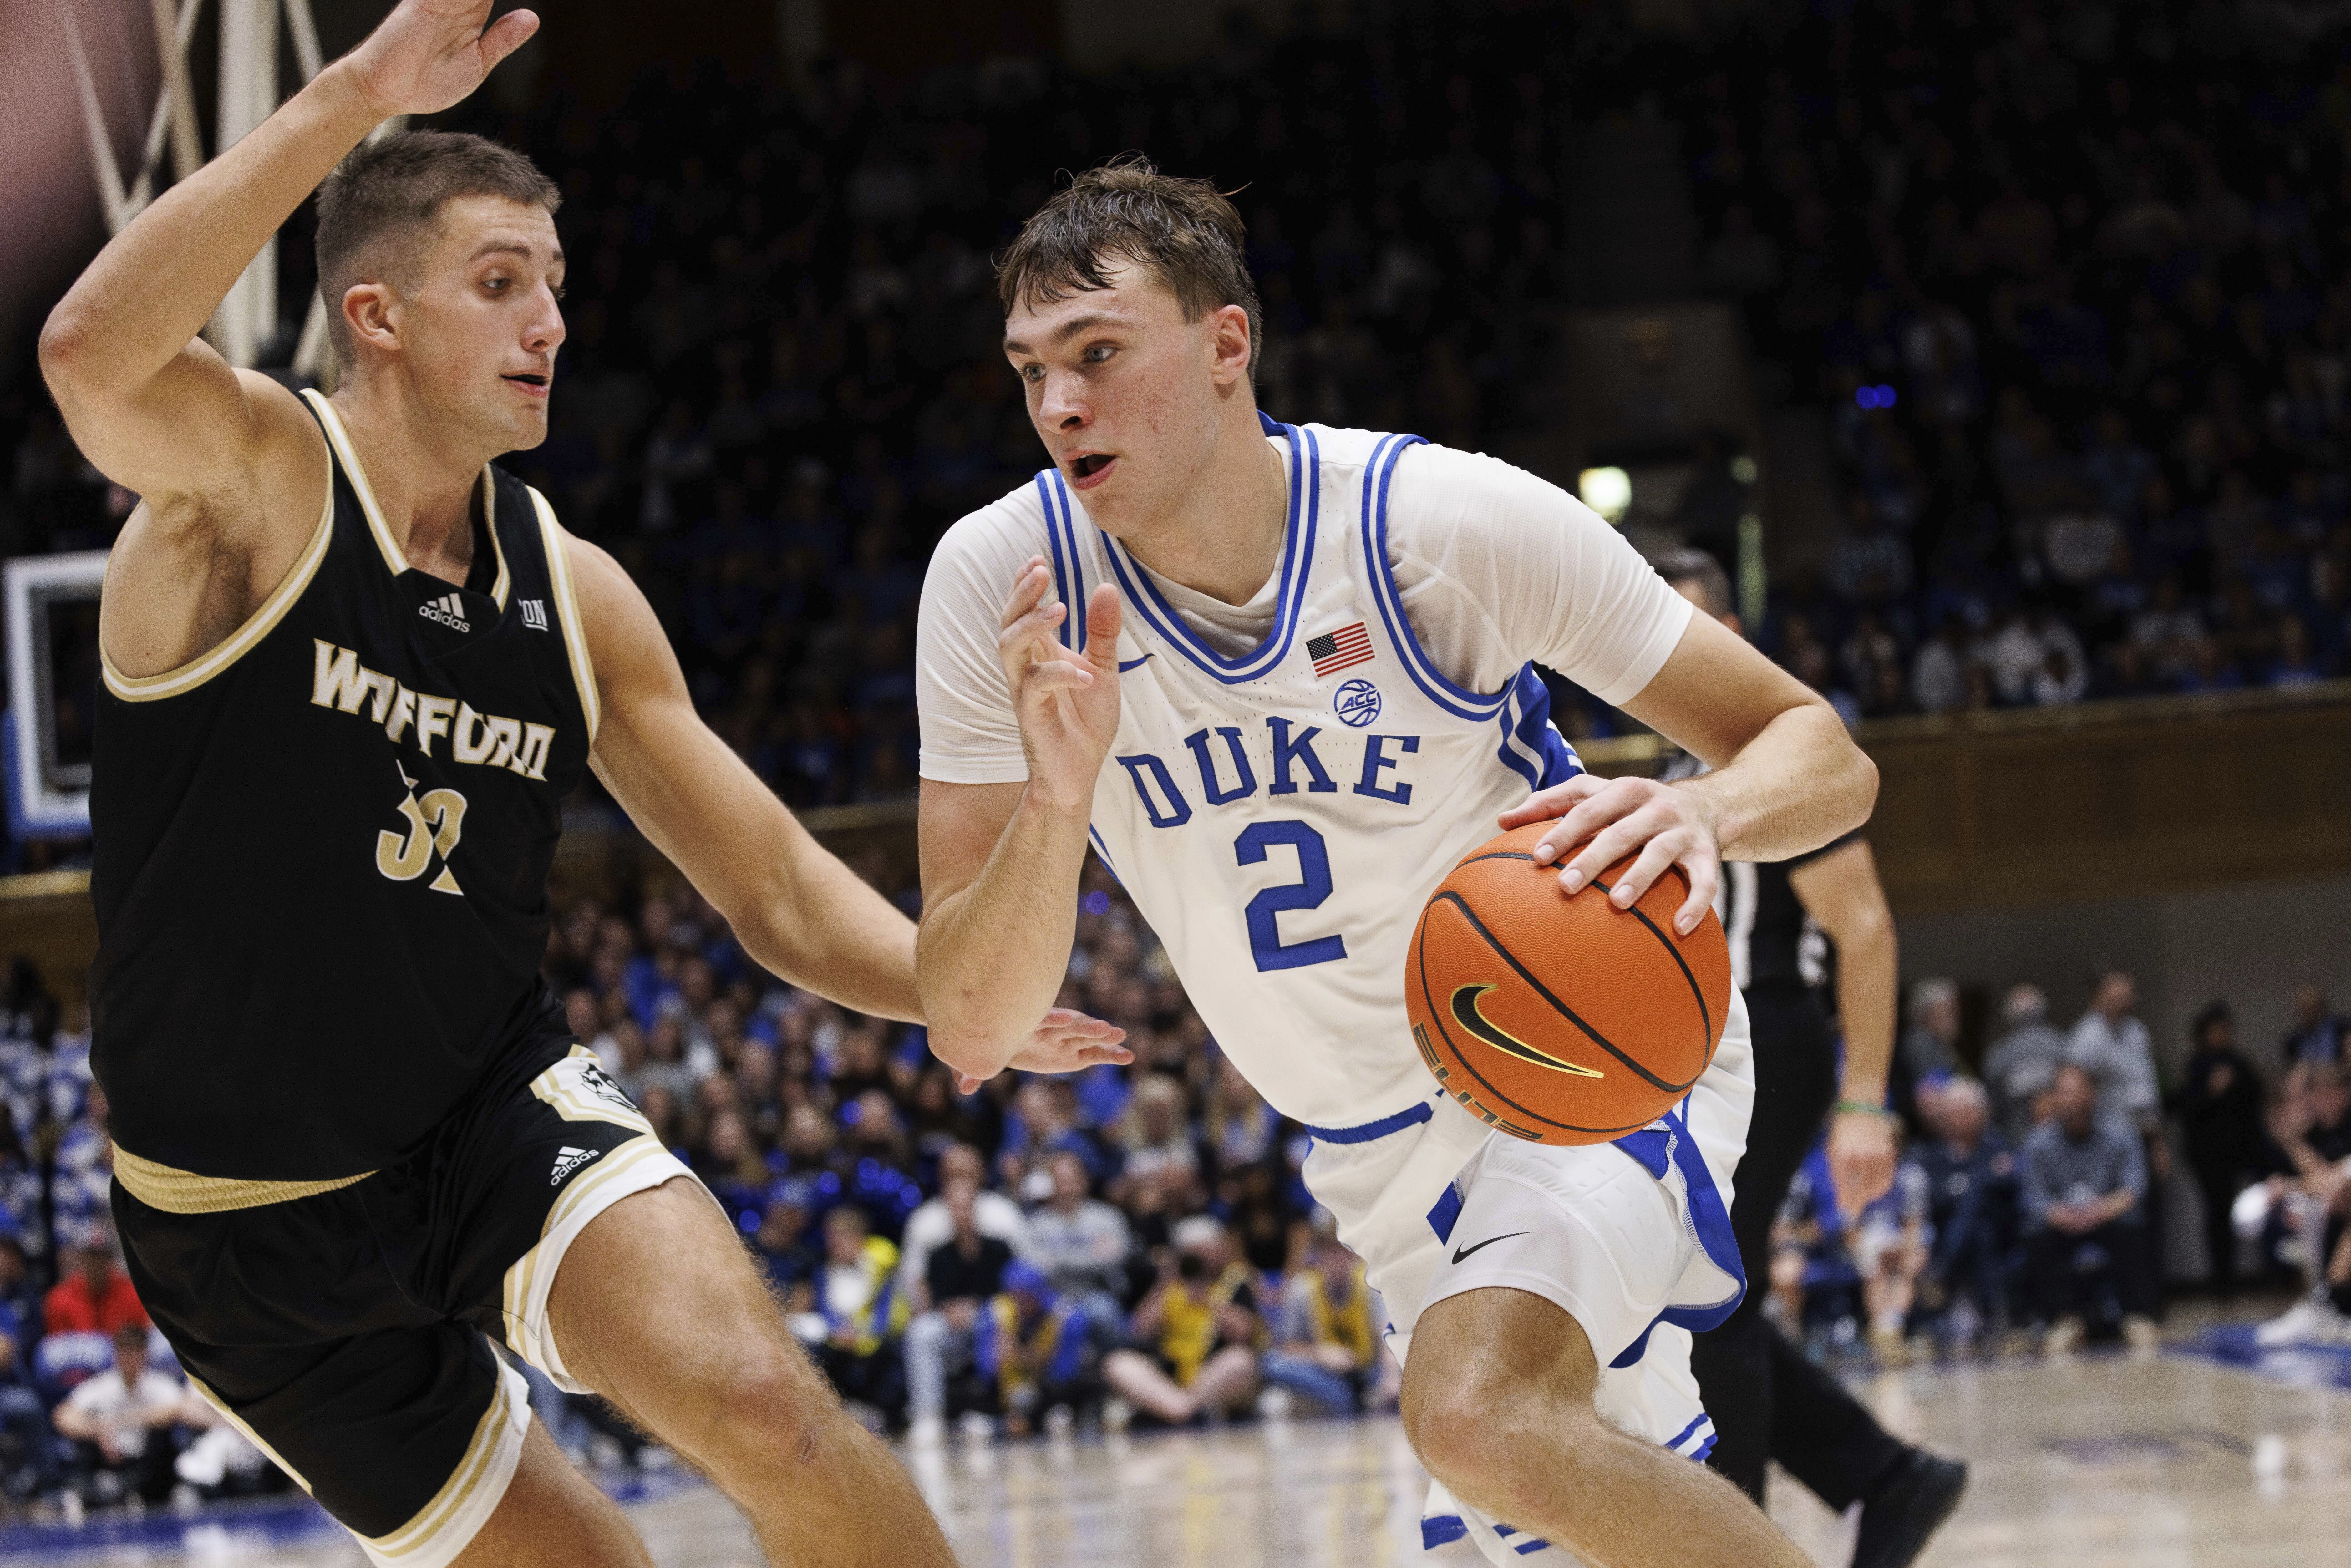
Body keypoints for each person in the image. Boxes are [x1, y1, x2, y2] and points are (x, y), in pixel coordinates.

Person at [36, 4, 1121, 1560]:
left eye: (554, 284)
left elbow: (772, 885)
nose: (549, 321)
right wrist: (353, 96)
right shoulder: (253, 483)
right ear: (377, 315)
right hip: (238, 1224)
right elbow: (88, 353)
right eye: (499, 285)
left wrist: (956, 994)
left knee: (769, 1409)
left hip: (486, 1119)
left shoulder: (576, 591)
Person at [914, 158, 1879, 1567]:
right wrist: (1058, 805)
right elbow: (970, 1021)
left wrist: (1704, 813)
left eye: (1099, 355)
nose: (1059, 406)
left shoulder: (1438, 523)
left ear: (1227, 344)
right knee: (1544, 1492)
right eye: (1030, 370)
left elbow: (1820, 749)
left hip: (1584, 1050)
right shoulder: (1003, 587)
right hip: (1370, 1159)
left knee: (1475, 1413)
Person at [1655, 551, 1966, 1568]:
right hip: (1695, 1052)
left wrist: (1867, 1102)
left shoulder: (1776, 762)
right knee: (1694, 1289)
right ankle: (1885, 1476)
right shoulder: (1668, 769)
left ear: (1732, 639)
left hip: (1771, 1040)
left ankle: (1735, 1536)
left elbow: (1866, 929)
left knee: (1706, 1293)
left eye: (1686, 625)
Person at [2020, 1065, 2160, 1352]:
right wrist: (2061, 1214)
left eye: (2078, 1092)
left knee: (2134, 1225)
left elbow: (2134, 1188)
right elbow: (2033, 1197)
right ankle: (2063, 1320)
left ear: (2092, 1095)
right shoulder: (2037, 1143)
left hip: (2108, 1218)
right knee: (2035, 1233)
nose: (2072, 1101)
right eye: (2064, 1093)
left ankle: (2137, 1315)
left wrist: (2102, 1210)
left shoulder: (2121, 1133)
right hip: (2063, 1224)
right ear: (2054, 1098)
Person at [1101, 1218, 1263, 1426]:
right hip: (1170, 1376)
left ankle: (1178, 1410)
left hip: (1213, 1373)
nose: (1199, 1261)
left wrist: (1207, 1302)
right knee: (1118, 1363)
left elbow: (1244, 1332)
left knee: (1241, 1360)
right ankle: (1184, 1410)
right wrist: (1165, 1283)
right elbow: (1140, 1330)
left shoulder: (1235, 1280)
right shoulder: (1170, 1285)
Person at [904, 1176, 1015, 1445]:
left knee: (999, 1321)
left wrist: (979, 1308)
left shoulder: (999, 1248)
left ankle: (1000, 1411)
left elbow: (1011, 1291)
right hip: (950, 1322)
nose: (962, 1213)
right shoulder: (938, 1253)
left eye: (967, 1206)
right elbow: (934, 1296)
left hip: (990, 1318)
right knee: (921, 1332)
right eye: (956, 1207)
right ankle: (929, 1414)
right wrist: (948, 1310)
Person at [1911, 1079, 2018, 1346]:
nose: (1961, 1118)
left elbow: (2008, 1183)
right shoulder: (1930, 1156)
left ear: (1982, 1113)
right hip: (1943, 1231)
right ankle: (1986, 1318)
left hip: (2000, 1231)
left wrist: (1968, 1188)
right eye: (1954, 1111)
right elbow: (1933, 1198)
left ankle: (1941, 1276)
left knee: (1978, 1213)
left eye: (1968, 1110)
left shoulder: (1998, 1146)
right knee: (1973, 1225)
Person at [2171, 1001, 2267, 1299]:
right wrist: (2211, 1091)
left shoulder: (2240, 1064)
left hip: (2240, 1152)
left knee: (2252, 1211)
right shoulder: (2196, 1066)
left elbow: (2255, 1101)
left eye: (2225, 1030)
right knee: (2217, 1216)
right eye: (2215, 1031)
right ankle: (2221, 1280)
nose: (2220, 1036)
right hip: (2209, 1156)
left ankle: (2262, 1275)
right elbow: (2183, 1106)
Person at [52, 1324, 185, 1506]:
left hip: (146, 1461)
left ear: (145, 1354)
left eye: (134, 1354)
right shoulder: (102, 1385)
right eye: (125, 1354)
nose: (129, 1361)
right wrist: (99, 1430)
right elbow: (64, 1416)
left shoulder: (159, 1384)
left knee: (163, 1440)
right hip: (107, 1457)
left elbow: (176, 1410)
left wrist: (125, 1421)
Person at [1262, 1232, 1387, 1413]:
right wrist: (1321, 1354)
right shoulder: (1301, 1290)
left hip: (1369, 1373)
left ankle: (1355, 1399)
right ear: (1318, 1257)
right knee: (1272, 1363)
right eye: (1330, 1254)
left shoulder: (1370, 1283)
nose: (1337, 1262)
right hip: (1326, 1375)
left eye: (1342, 1253)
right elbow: (1287, 1348)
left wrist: (1390, 1379)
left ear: (1354, 1256)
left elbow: (1387, 1333)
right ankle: (1351, 1401)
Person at [1980, 985, 2068, 1144]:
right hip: (2057, 1136)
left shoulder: (1999, 1054)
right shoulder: (2062, 1045)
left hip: (2018, 1136)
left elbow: (1993, 1105)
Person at [2282, 984, 2348, 1068]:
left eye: (2311, 1008)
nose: (2307, 1014)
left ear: (2321, 1007)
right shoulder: (2294, 1041)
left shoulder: (2341, 1030)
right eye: (2303, 1009)